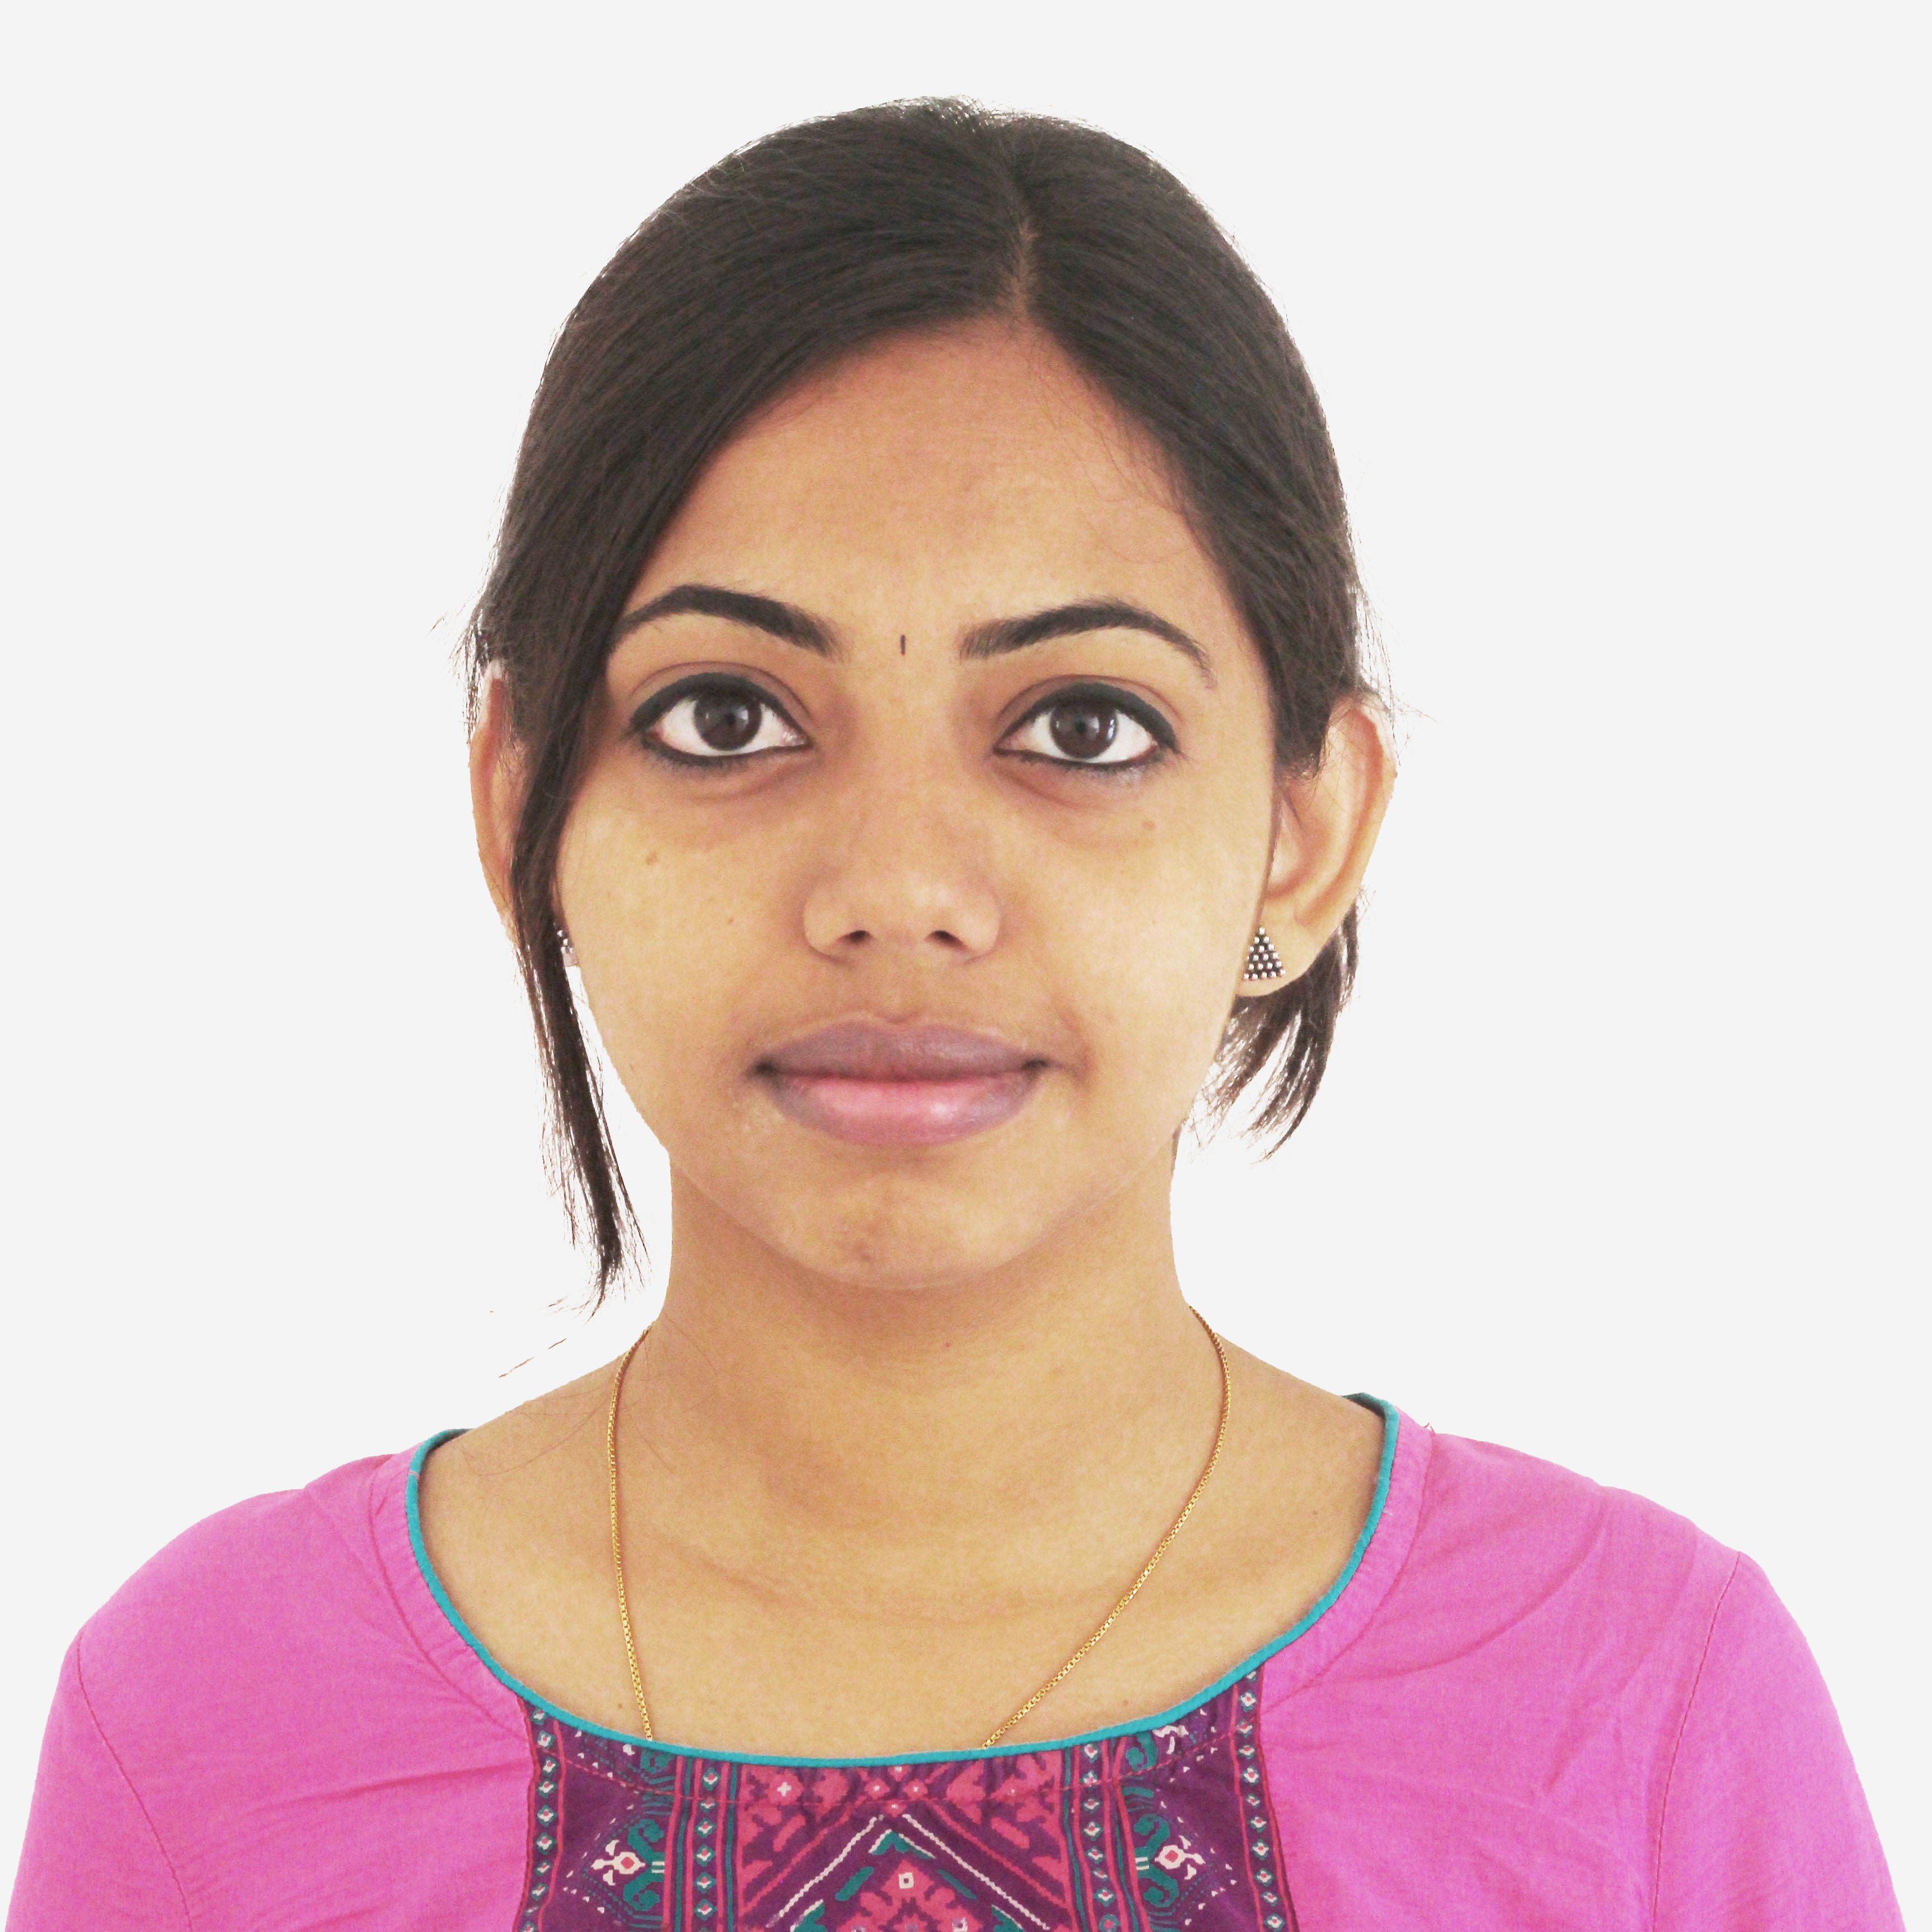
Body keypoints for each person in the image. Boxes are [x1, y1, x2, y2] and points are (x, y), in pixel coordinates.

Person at [7, 98, 1901, 1931]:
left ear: (1308, 833)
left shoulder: (1641, 1708)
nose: (900, 888)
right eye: (727, 718)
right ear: (523, 803)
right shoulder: (210, 1726)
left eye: (1082, 725)